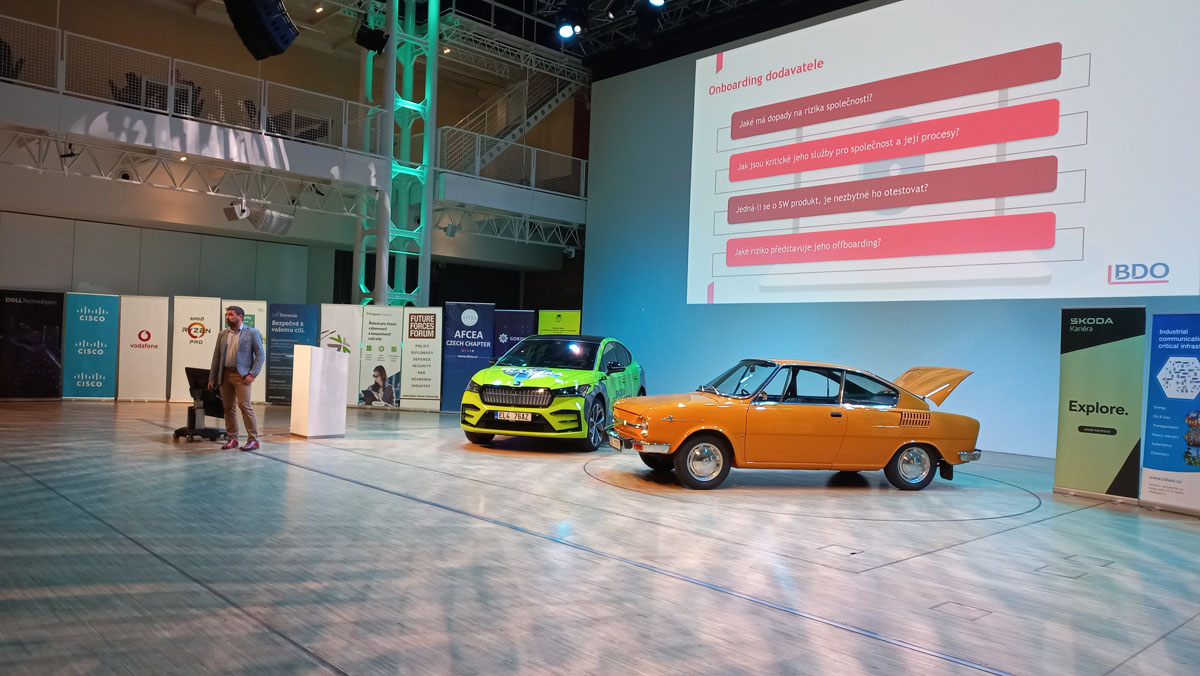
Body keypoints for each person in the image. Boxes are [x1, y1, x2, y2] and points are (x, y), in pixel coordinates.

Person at [208, 306, 265, 451]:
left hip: (242, 376)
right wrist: (212, 377)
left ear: (240, 317)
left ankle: (253, 440)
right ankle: (232, 438)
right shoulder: (222, 334)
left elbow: (260, 355)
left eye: (231, 314)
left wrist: (253, 374)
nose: (228, 317)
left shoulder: (252, 333)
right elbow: (216, 357)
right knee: (228, 408)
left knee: (245, 406)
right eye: (227, 314)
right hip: (225, 375)